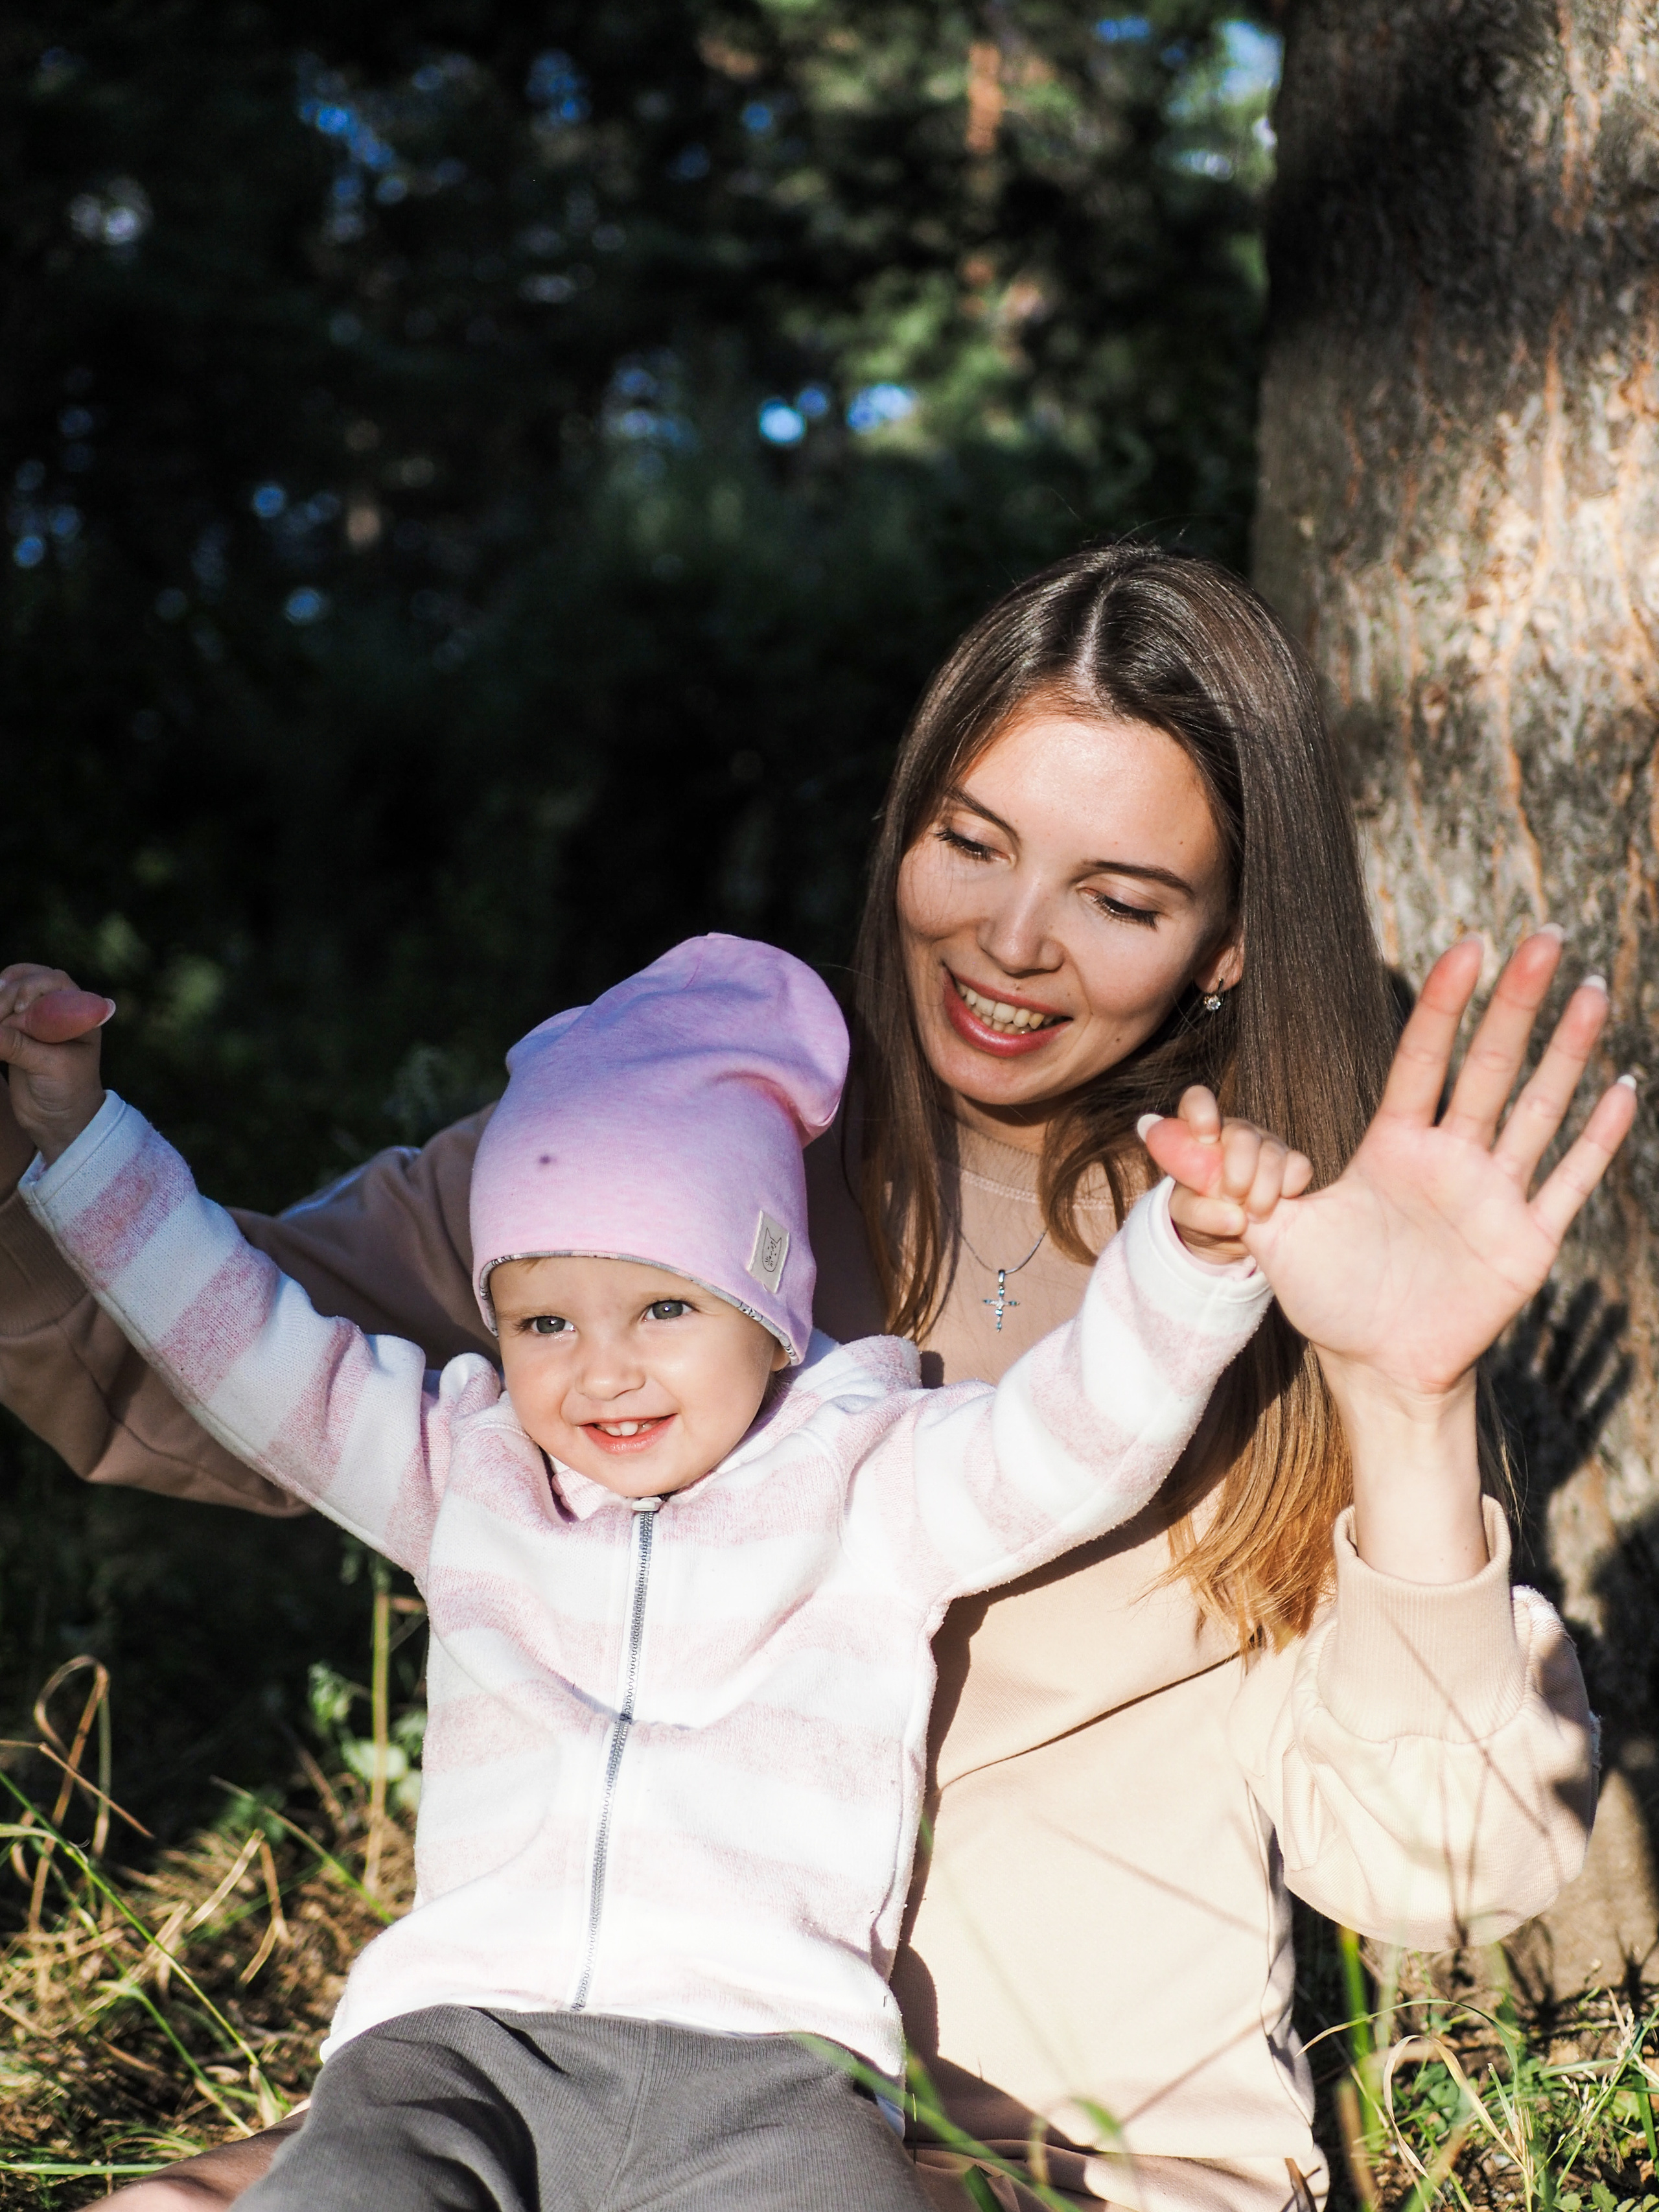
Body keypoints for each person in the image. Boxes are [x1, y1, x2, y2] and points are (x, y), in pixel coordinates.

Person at [0, 544, 1626, 2209]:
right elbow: (204, 1362)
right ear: (899, 831)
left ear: (1223, 946)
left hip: (1051, 2162)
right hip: (566, 2091)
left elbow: (1443, 1871)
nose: (1010, 941)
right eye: (968, 845)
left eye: (1119, 900)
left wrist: (1404, 1395)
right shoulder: (667, 1147)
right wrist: (40, 1142)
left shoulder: (1267, 1256)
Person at [5, 932, 1290, 2212]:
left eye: (664, 1308)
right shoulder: (462, 1469)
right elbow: (236, 1334)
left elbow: (1070, 1442)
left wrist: (1189, 1262)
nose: (602, 1370)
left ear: (768, 1311)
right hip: (456, 2048)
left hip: (772, 2071)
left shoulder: (868, 1481)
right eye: (544, 1321)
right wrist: (79, 1132)